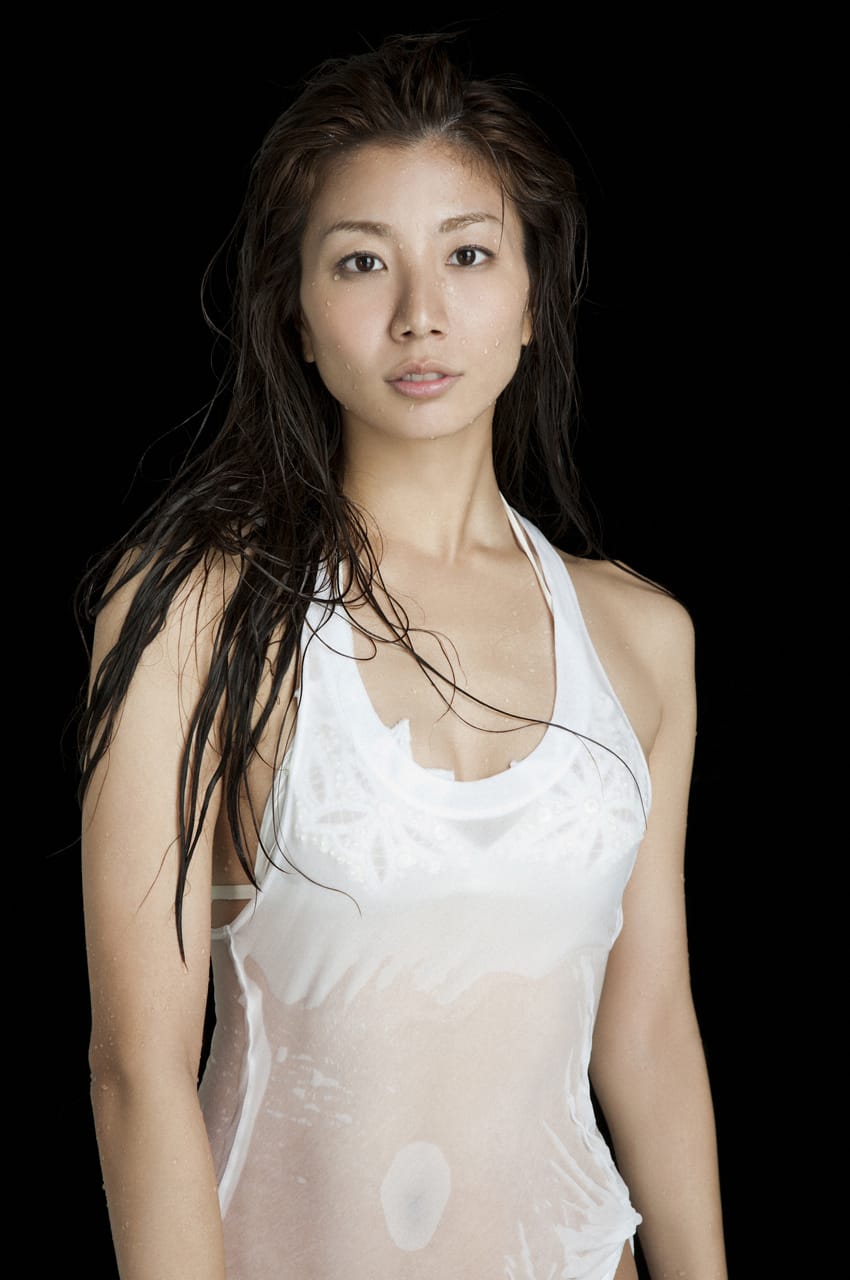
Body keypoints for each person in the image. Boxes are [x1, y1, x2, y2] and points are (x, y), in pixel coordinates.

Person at [76, 31, 728, 1280]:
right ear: (296, 312)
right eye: (362, 260)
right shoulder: (193, 610)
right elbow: (134, 1069)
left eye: (468, 254)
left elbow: (645, 1033)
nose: (420, 312)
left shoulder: (642, 636)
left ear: (532, 299)